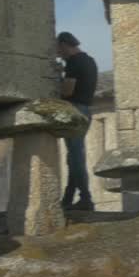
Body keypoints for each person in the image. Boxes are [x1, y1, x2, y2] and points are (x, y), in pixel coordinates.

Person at [57, 31, 98, 211]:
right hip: (86, 111)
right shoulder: (89, 60)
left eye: (58, 49)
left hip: (74, 110)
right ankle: (67, 199)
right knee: (73, 157)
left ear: (65, 44)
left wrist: (58, 80)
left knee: (75, 157)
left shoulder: (74, 62)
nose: (58, 53)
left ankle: (86, 198)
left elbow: (67, 91)